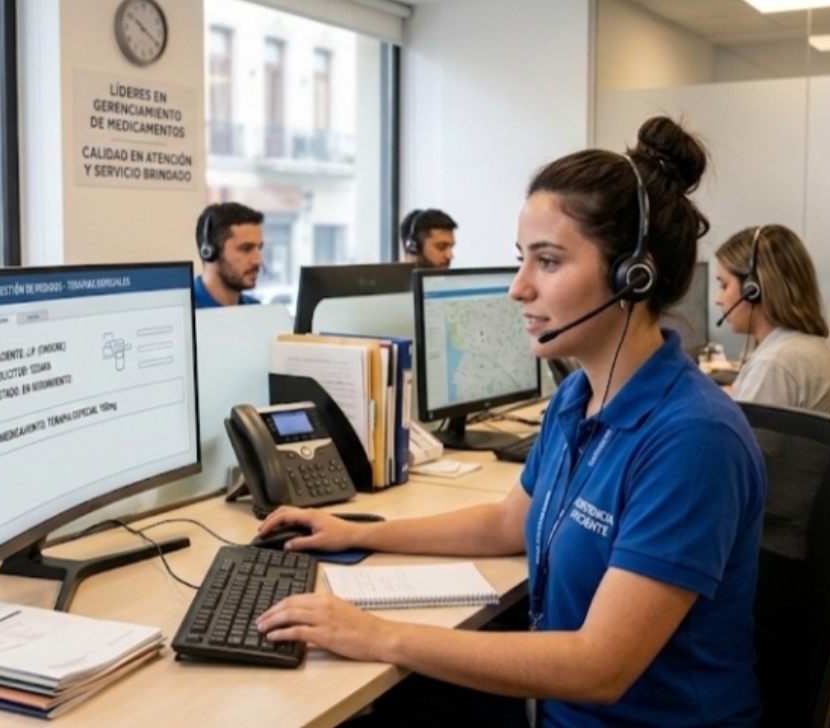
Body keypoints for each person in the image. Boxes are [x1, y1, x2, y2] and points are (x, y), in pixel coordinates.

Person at [256, 117, 767, 728]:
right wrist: (354, 531)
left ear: (635, 275)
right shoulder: (580, 394)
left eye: (547, 262)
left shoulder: (692, 438)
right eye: (521, 259)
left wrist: (376, 636)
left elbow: (598, 667)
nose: (518, 288)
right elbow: (507, 523)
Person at [715, 224, 830, 416]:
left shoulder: (774, 364)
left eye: (724, 285)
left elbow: (742, 443)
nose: (717, 298)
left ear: (753, 290)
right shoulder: (809, 347)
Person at [193, 202, 265, 308]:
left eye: (259, 248)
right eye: (246, 249)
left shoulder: (256, 309)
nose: (258, 261)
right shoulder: (182, 312)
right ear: (210, 252)